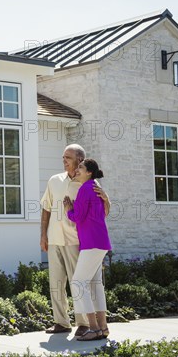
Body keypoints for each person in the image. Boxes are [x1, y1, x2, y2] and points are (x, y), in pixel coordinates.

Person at [40, 144, 110, 336]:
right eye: (63, 157)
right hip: (55, 239)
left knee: (78, 282)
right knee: (56, 283)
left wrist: (108, 200)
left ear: (80, 161)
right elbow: (46, 208)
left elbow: (103, 212)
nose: (64, 161)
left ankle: (85, 323)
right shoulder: (54, 180)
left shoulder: (88, 184)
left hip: (77, 241)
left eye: (68, 158)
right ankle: (61, 322)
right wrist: (43, 235)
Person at [64, 158, 112, 341]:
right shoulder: (95, 186)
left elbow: (78, 217)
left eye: (81, 168)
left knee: (78, 283)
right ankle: (103, 327)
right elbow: (103, 212)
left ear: (89, 172)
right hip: (100, 241)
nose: (77, 170)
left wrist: (69, 209)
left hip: (92, 242)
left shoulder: (85, 188)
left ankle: (93, 327)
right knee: (96, 284)